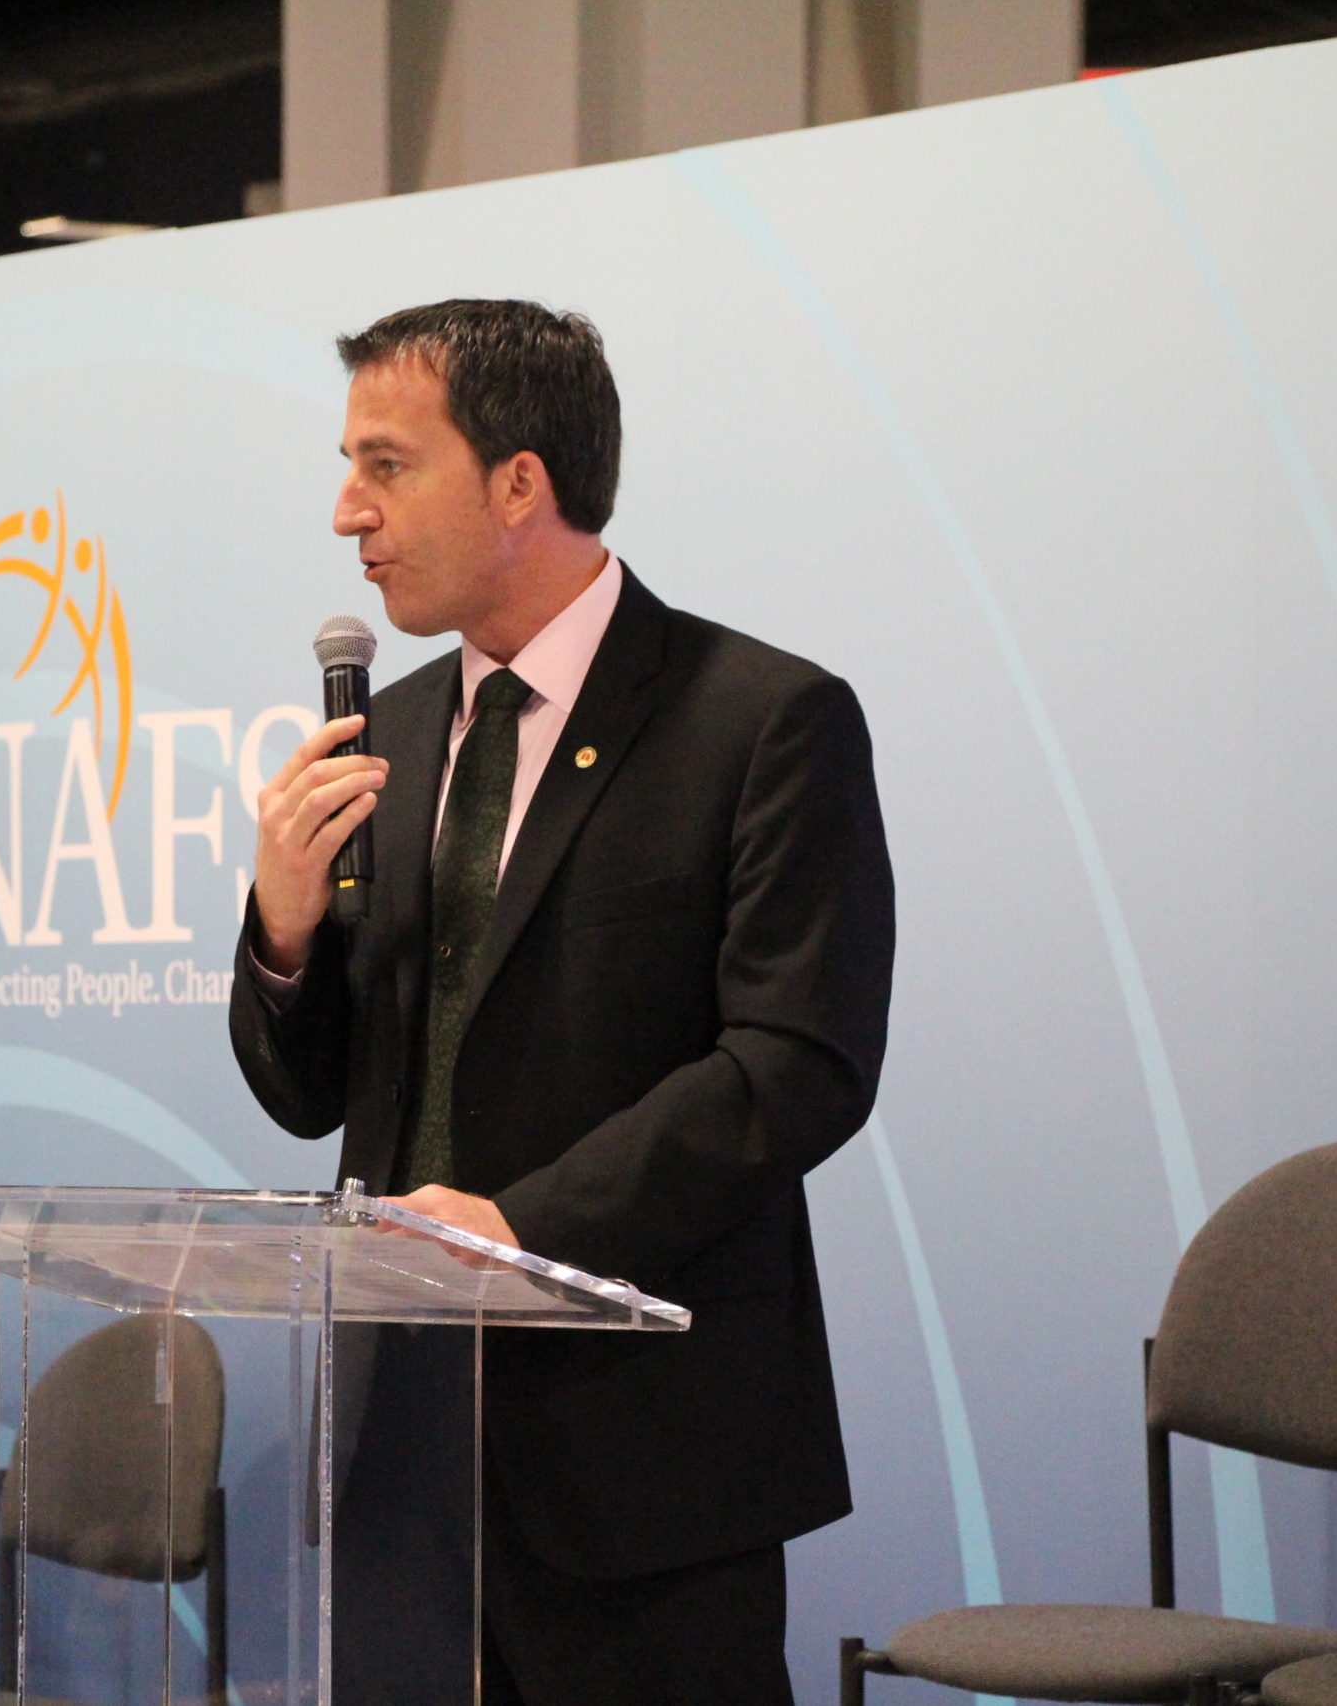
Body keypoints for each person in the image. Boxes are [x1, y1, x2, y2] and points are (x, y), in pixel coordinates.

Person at [229, 299, 894, 1706]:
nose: (349, 512)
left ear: (519, 482)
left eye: (387, 466)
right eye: (350, 468)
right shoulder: (390, 734)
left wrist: (524, 1231)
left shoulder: (761, 719)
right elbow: (311, 1095)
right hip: (401, 1451)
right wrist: (283, 930)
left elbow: (797, 1064)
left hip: (643, 1466)